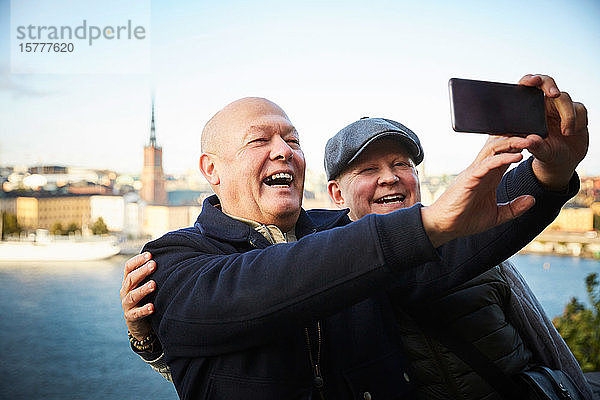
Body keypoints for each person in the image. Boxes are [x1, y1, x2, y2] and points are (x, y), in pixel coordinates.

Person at [120, 74, 588, 399]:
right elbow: (251, 289)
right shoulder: (173, 260)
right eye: (260, 141)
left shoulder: (345, 236)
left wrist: (550, 170)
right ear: (211, 169)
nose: (284, 151)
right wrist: (427, 223)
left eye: (293, 141)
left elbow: (454, 241)